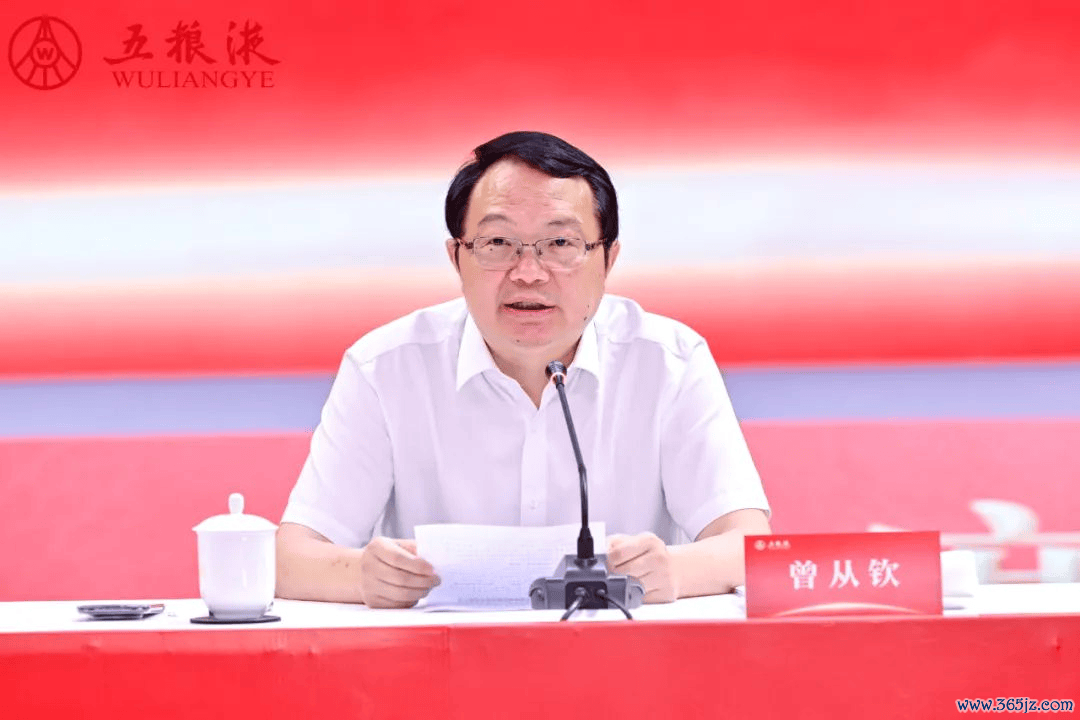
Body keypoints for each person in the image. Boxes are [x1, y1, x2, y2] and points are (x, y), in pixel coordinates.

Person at [276, 131, 771, 608]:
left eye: (560, 244)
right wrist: (361, 576)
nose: (528, 273)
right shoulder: (384, 368)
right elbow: (290, 558)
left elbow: (748, 544)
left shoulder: (669, 363)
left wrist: (674, 572)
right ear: (457, 257)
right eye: (498, 243)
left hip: (620, 653)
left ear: (608, 259)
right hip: (438, 657)